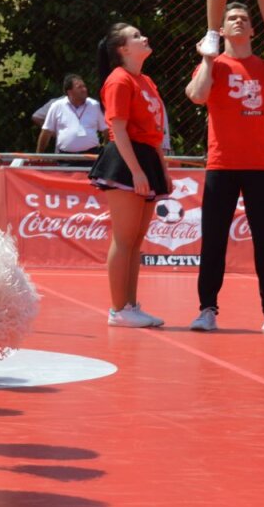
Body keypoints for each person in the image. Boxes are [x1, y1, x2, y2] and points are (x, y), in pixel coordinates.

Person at [184, 3, 264, 333]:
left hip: (259, 167)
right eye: (231, 19)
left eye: (244, 19)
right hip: (221, 165)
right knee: (214, 241)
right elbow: (196, 96)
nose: (238, 22)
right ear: (221, 30)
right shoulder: (214, 64)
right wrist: (208, 58)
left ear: (254, 31)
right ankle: (207, 309)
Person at [88, 23, 169, 329]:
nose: (144, 37)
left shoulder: (145, 80)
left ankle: (130, 306)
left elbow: (155, 133)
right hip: (125, 158)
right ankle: (118, 308)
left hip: (146, 157)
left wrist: (161, 169)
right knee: (123, 239)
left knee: (136, 240)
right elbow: (117, 129)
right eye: (136, 36)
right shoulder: (119, 80)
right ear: (123, 49)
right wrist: (135, 171)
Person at [37, 74, 106, 158]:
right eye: (79, 87)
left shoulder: (94, 105)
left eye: (84, 86)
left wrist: (106, 152)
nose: (84, 89)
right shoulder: (57, 106)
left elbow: (105, 130)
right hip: (65, 158)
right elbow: (46, 132)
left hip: (91, 156)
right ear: (69, 92)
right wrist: (39, 156)